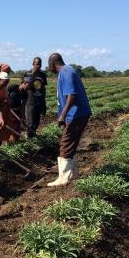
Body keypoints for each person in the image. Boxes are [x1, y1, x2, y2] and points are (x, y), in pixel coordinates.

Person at [47, 53, 92, 186]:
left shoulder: (66, 72)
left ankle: (64, 178)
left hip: (76, 114)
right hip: (77, 114)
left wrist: (62, 115)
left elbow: (71, 96)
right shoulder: (68, 70)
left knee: (66, 144)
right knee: (70, 143)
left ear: (52, 63)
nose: (48, 68)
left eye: (48, 65)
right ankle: (72, 174)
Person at [21, 57, 48, 138]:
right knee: (30, 122)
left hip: (39, 100)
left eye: (39, 64)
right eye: (36, 64)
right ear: (33, 64)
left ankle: (32, 137)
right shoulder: (28, 73)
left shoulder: (42, 75)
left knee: (36, 121)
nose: (38, 66)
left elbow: (43, 88)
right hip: (30, 101)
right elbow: (24, 87)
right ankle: (29, 137)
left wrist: (44, 103)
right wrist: (33, 74)